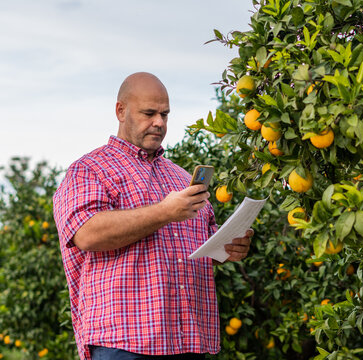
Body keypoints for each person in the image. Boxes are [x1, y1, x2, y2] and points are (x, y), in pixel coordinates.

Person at [53, 72, 253, 360]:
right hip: (123, 344)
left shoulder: (181, 177)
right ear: (120, 111)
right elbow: (86, 233)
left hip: (187, 340)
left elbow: (205, 242)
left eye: (164, 114)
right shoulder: (89, 170)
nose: (159, 122)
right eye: (149, 113)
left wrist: (230, 246)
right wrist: (163, 212)